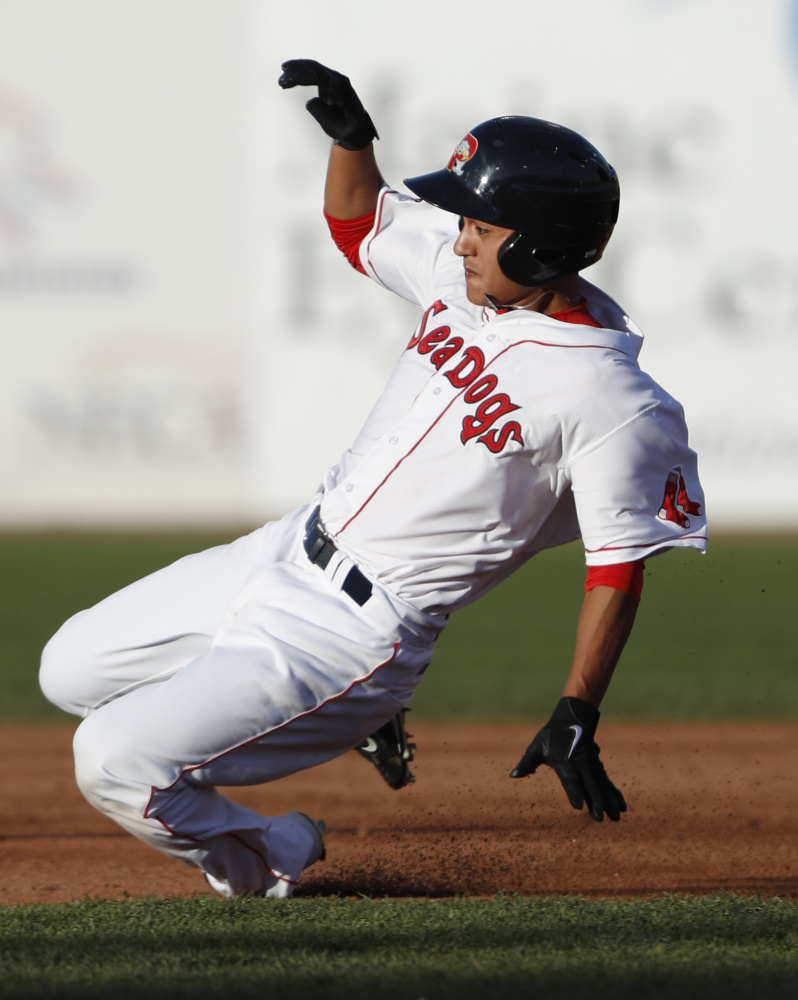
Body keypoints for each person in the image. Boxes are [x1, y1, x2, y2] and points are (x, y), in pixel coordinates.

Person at [39, 59, 707, 900]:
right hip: (284, 548)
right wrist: (353, 141)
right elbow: (358, 224)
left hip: (353, 635)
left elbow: (617, 562)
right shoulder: (473, 283)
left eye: (480, 225)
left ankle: (270, 855)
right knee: (65, 671)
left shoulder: (613, 396)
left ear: (539, 248)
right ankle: (332, 740)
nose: (460, 236)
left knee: (112, 760)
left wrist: (578, 708)